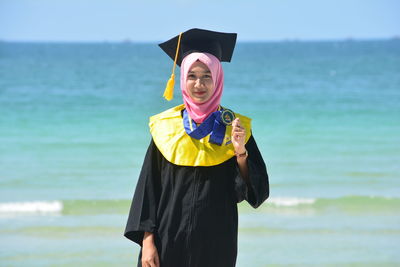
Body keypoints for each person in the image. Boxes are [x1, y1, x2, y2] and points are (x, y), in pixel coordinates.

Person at [124, 28, 269, 267]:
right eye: (191, 75)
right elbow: (148, 190)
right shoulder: (165, 127)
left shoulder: (234, 127)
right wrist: (147, 242)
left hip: (216, 242)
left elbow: (254, 194)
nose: (199, 84)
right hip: (167, 240)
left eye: (207, 76)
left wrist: (240, 152)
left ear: (218, 79)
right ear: (182, 79)